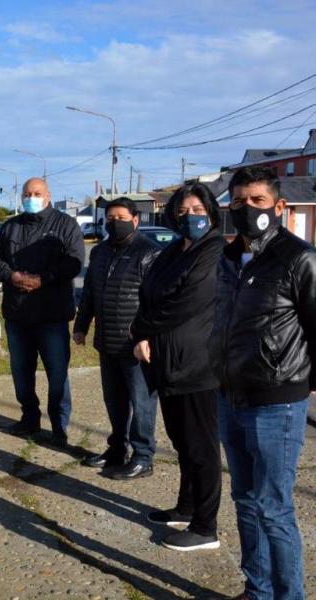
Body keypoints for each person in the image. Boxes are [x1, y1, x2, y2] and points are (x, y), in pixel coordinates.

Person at [209, 166, 316, 600]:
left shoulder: (299, 257)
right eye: (238, 201)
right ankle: (258, 590)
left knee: (274, 509)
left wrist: (303, 387)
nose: (247, 209)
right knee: (245, 503)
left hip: (277, 404)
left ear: (279, 206)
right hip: (230, 396)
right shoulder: (228, 259)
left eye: (256, 200)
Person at [132, 183, 224, 551]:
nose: (191, 217)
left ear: (211, 211)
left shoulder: (214, 250)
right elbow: (149, 292)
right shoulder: (173, 249)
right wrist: (142, 334)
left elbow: (187, 300)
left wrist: (140, 328)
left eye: (198, 209)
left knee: (201, 447)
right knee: (182, 442)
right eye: (183, 211)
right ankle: (186, 508)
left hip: (198, 365)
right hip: (167, 363)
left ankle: (206, 526)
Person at [0, 177, 85, 445]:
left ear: (48, 195)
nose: (32, 197)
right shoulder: (11, 226)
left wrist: (44, 278)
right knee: (21, 372)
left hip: (52, 316)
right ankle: (29, 418)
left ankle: (59, 425)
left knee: (57, 374)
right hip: (18, 315)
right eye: (27, 193)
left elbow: (75, 261)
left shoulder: (65, 225)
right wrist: (12, 276)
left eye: (37, 193)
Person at [73, 198, 160, 476]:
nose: (115, 222)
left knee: (142, 402)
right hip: (107, 340)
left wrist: (146, 337)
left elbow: (155, 303)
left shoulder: (149, 253)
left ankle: (143, 455)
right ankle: (117, 448)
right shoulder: (99, 252)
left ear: (135, 220)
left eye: (121, 217)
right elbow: (89, 293)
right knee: (114, 400)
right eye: (110, 218)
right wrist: (81, 325)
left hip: (136, 345)